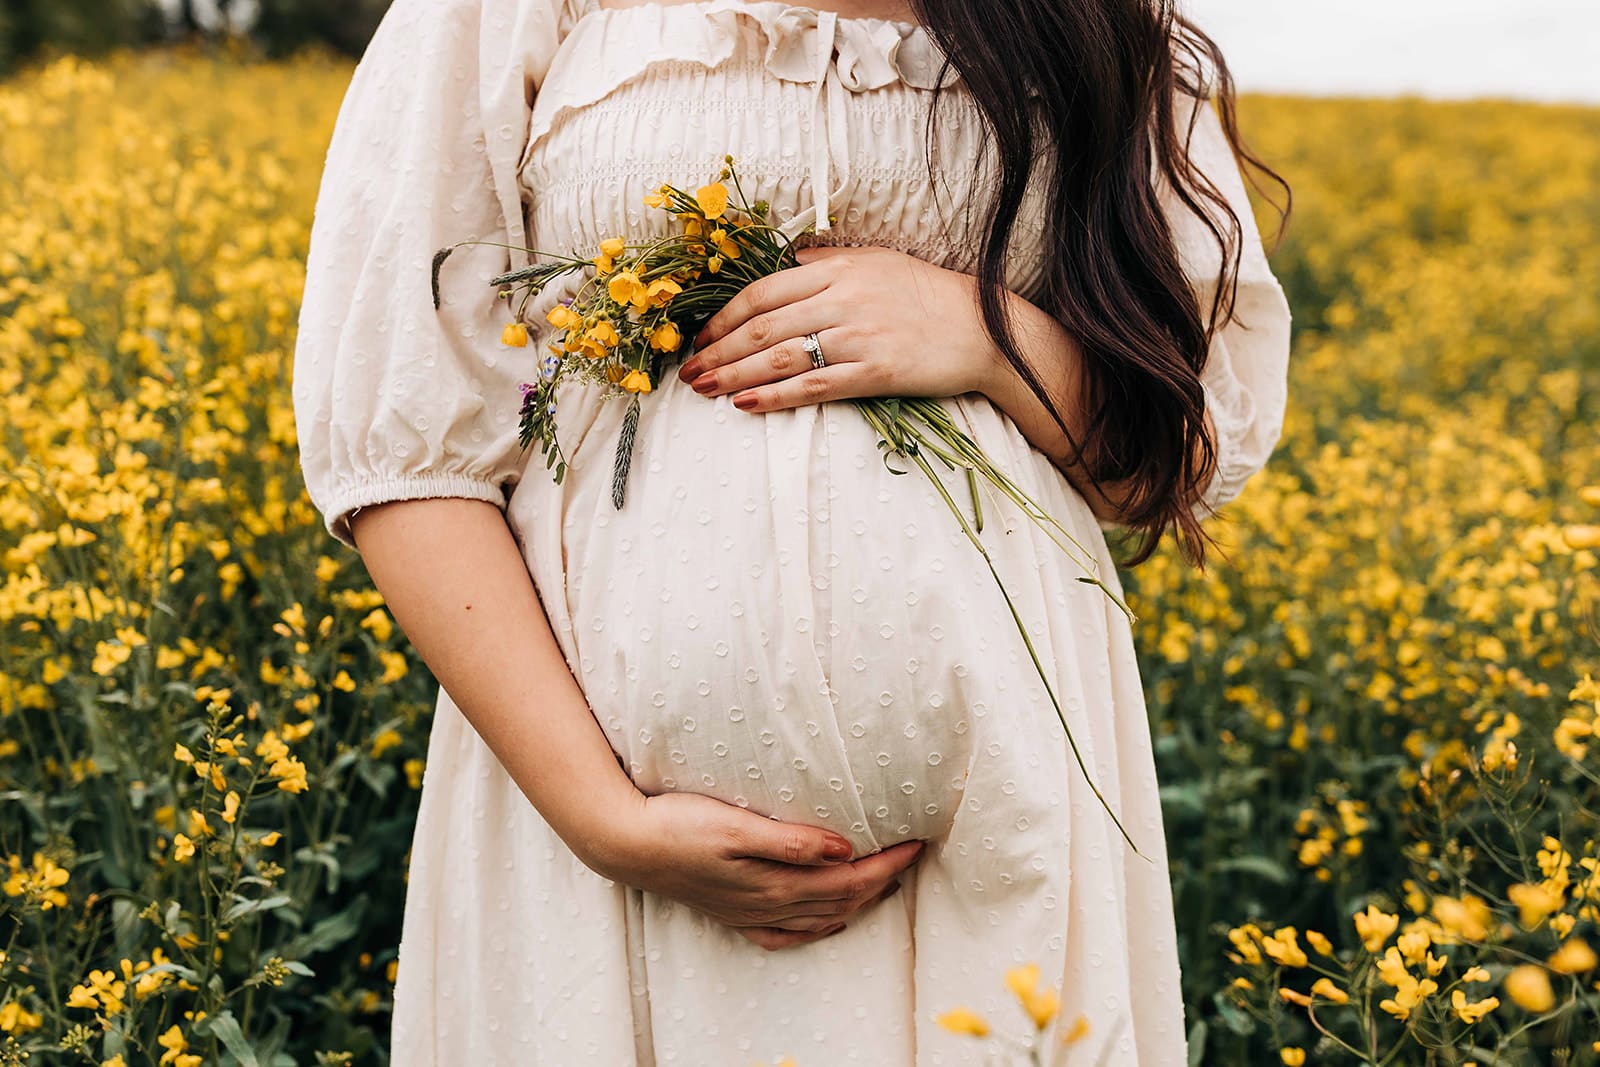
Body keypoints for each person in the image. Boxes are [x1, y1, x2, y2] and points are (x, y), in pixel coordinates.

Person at [290, 0, 1291, 1061]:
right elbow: (402, 439)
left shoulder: (1092, 20)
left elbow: (1176, 452)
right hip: (593, 848)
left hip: (998, 831)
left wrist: (986, 336)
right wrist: (600, 818)